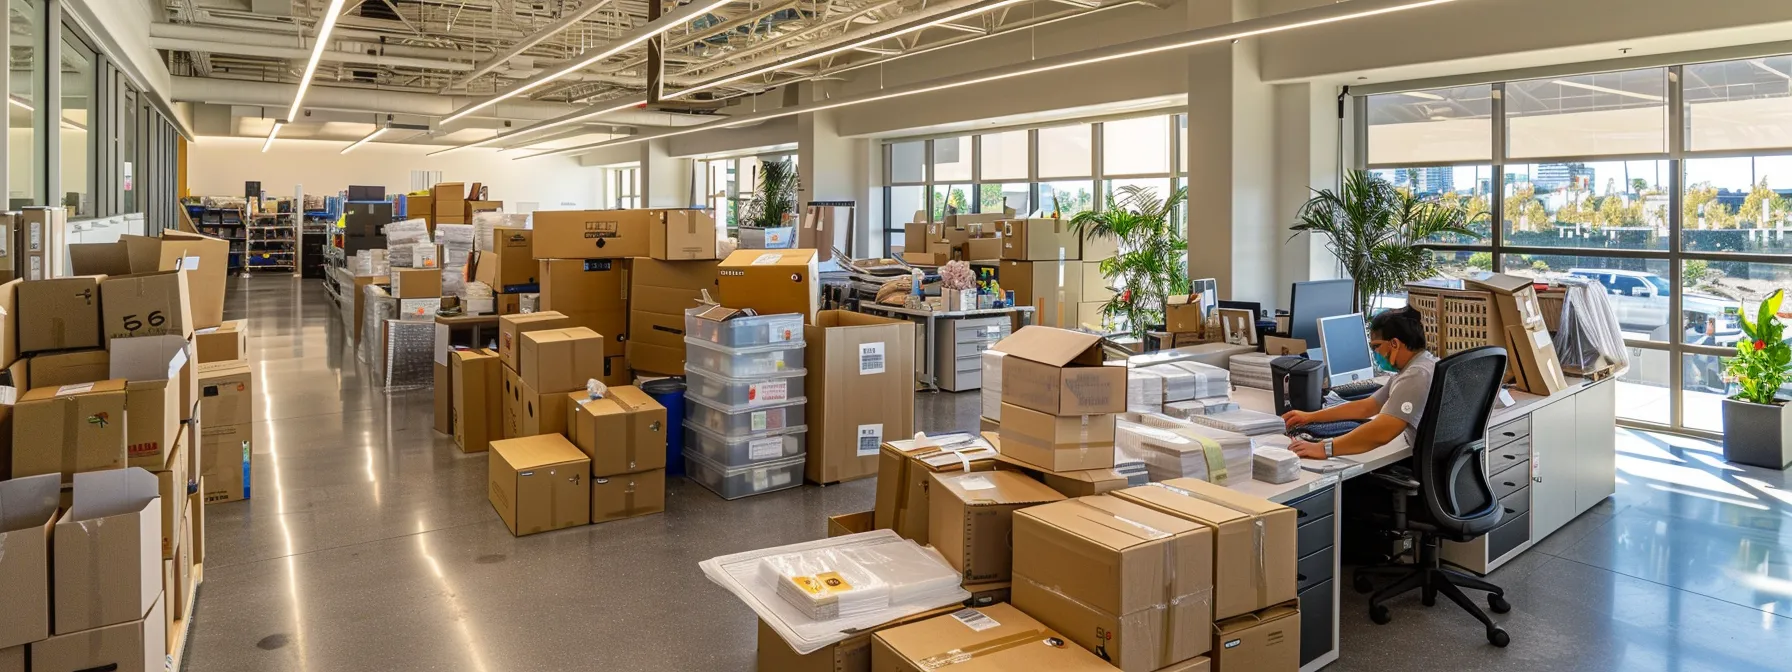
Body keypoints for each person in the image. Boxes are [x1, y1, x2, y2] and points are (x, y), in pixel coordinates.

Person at [1283, 307, 1438, 460]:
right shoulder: (1419, 365)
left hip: (1427, 466)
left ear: (1395, 344)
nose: (1375, 353)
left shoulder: (1417, 375)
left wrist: (1324, 449)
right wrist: (1310, 417)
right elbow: (1368, 406)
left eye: (1376, 346)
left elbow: (1383, 431)